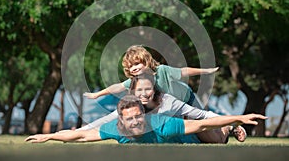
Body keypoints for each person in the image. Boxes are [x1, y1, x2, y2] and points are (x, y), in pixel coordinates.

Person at [25, 95, 267, 144]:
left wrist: (239, 118)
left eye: (138, 116)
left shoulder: (161, 123)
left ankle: (230, 129)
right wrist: (50, 136)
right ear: (121, 120)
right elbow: (80, 135)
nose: (135, 122)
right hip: (187, 129)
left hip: (194, 136)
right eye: (129, 119)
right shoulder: (115, 129)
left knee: (217, 139)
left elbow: (202, 123)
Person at [79, 73, 246, 143]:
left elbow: (202, 115)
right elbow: (106, 120)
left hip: (190, 130)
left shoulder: (168, 101)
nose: (144, 94)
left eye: (148, 89)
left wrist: (234, 120)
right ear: (133, 92)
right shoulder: (131, 107)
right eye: (139, 90)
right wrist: (82, 130)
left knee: (215, 139)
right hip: (175, 139)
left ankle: (228, 128)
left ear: (154, 89)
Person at [83, 45, 219, 107]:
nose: (134, 68)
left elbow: (184, 71)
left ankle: (229, 127)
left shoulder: (162, 70)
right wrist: (97, 94)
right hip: (171, 106)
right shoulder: (135, 81)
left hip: (186, 97)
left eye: (137, 63)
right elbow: (117, 87)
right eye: (130, 66)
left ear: (146, 61)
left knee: (203, 119)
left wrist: (205, 71)